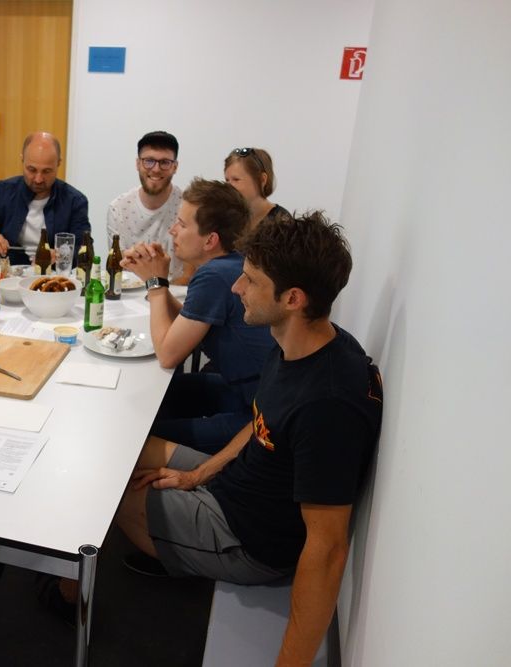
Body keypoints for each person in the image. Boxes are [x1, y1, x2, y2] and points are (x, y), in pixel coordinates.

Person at [116, 213, 383, 666]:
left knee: (106, 491)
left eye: (251, 280)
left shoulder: (328, 404)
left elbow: (328, 550)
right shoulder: (302, 343)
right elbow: (262, 419)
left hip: (246, 540)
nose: (237, 288)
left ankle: (98, 578)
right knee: (121, 451)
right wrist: (197, 474)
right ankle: (172, 539)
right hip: (232, 485)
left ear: (293, 298)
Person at [121, 178, 275, 454]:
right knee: (161, 392)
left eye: (182, 224)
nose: (172, 230)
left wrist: (156, 285)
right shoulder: (229, 264)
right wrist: (156, 280)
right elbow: (188, 321)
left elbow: (168, 354)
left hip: (258, 419)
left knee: (136, 432)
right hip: (248, 393)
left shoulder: (214, 275)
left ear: (210, 240)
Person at [0, 131, 90, 266]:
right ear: (22, 160)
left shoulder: (75, 201)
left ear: (58, 163)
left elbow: (84, 248)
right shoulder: (4, 191)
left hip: (53, 274)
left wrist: (62, 255)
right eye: (32, 170)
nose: (38, 179)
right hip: (12, 271)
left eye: (46, 171)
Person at [107, 130, 190, 282]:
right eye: (149, 161)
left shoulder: (188, 207)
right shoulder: (118, 208)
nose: (156, 169)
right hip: (130, 293)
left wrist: (158, 289)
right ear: (138, 164)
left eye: (165, 162)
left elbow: (190, 272)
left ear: (175, 167)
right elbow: (118, 268)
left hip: (175, 292)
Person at [224, 147, 292, 229]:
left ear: (262, 179)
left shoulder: (281, 222)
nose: (229, 186)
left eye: (236, 179)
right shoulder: (227, 218)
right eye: (227, 180)